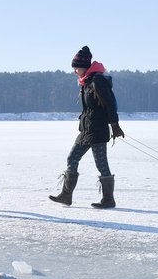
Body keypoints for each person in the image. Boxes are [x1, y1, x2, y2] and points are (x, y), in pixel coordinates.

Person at [49, 46, 125, 208]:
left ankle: (108, 199)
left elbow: (110, 104)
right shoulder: (86, 82)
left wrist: (115, 125)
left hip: (97, 130)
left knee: (101, 164)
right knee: (72, 158)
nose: (74, 71)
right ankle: (66, 195)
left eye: (76, 67)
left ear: (84, 66)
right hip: (86, 130)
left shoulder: (97, 81)